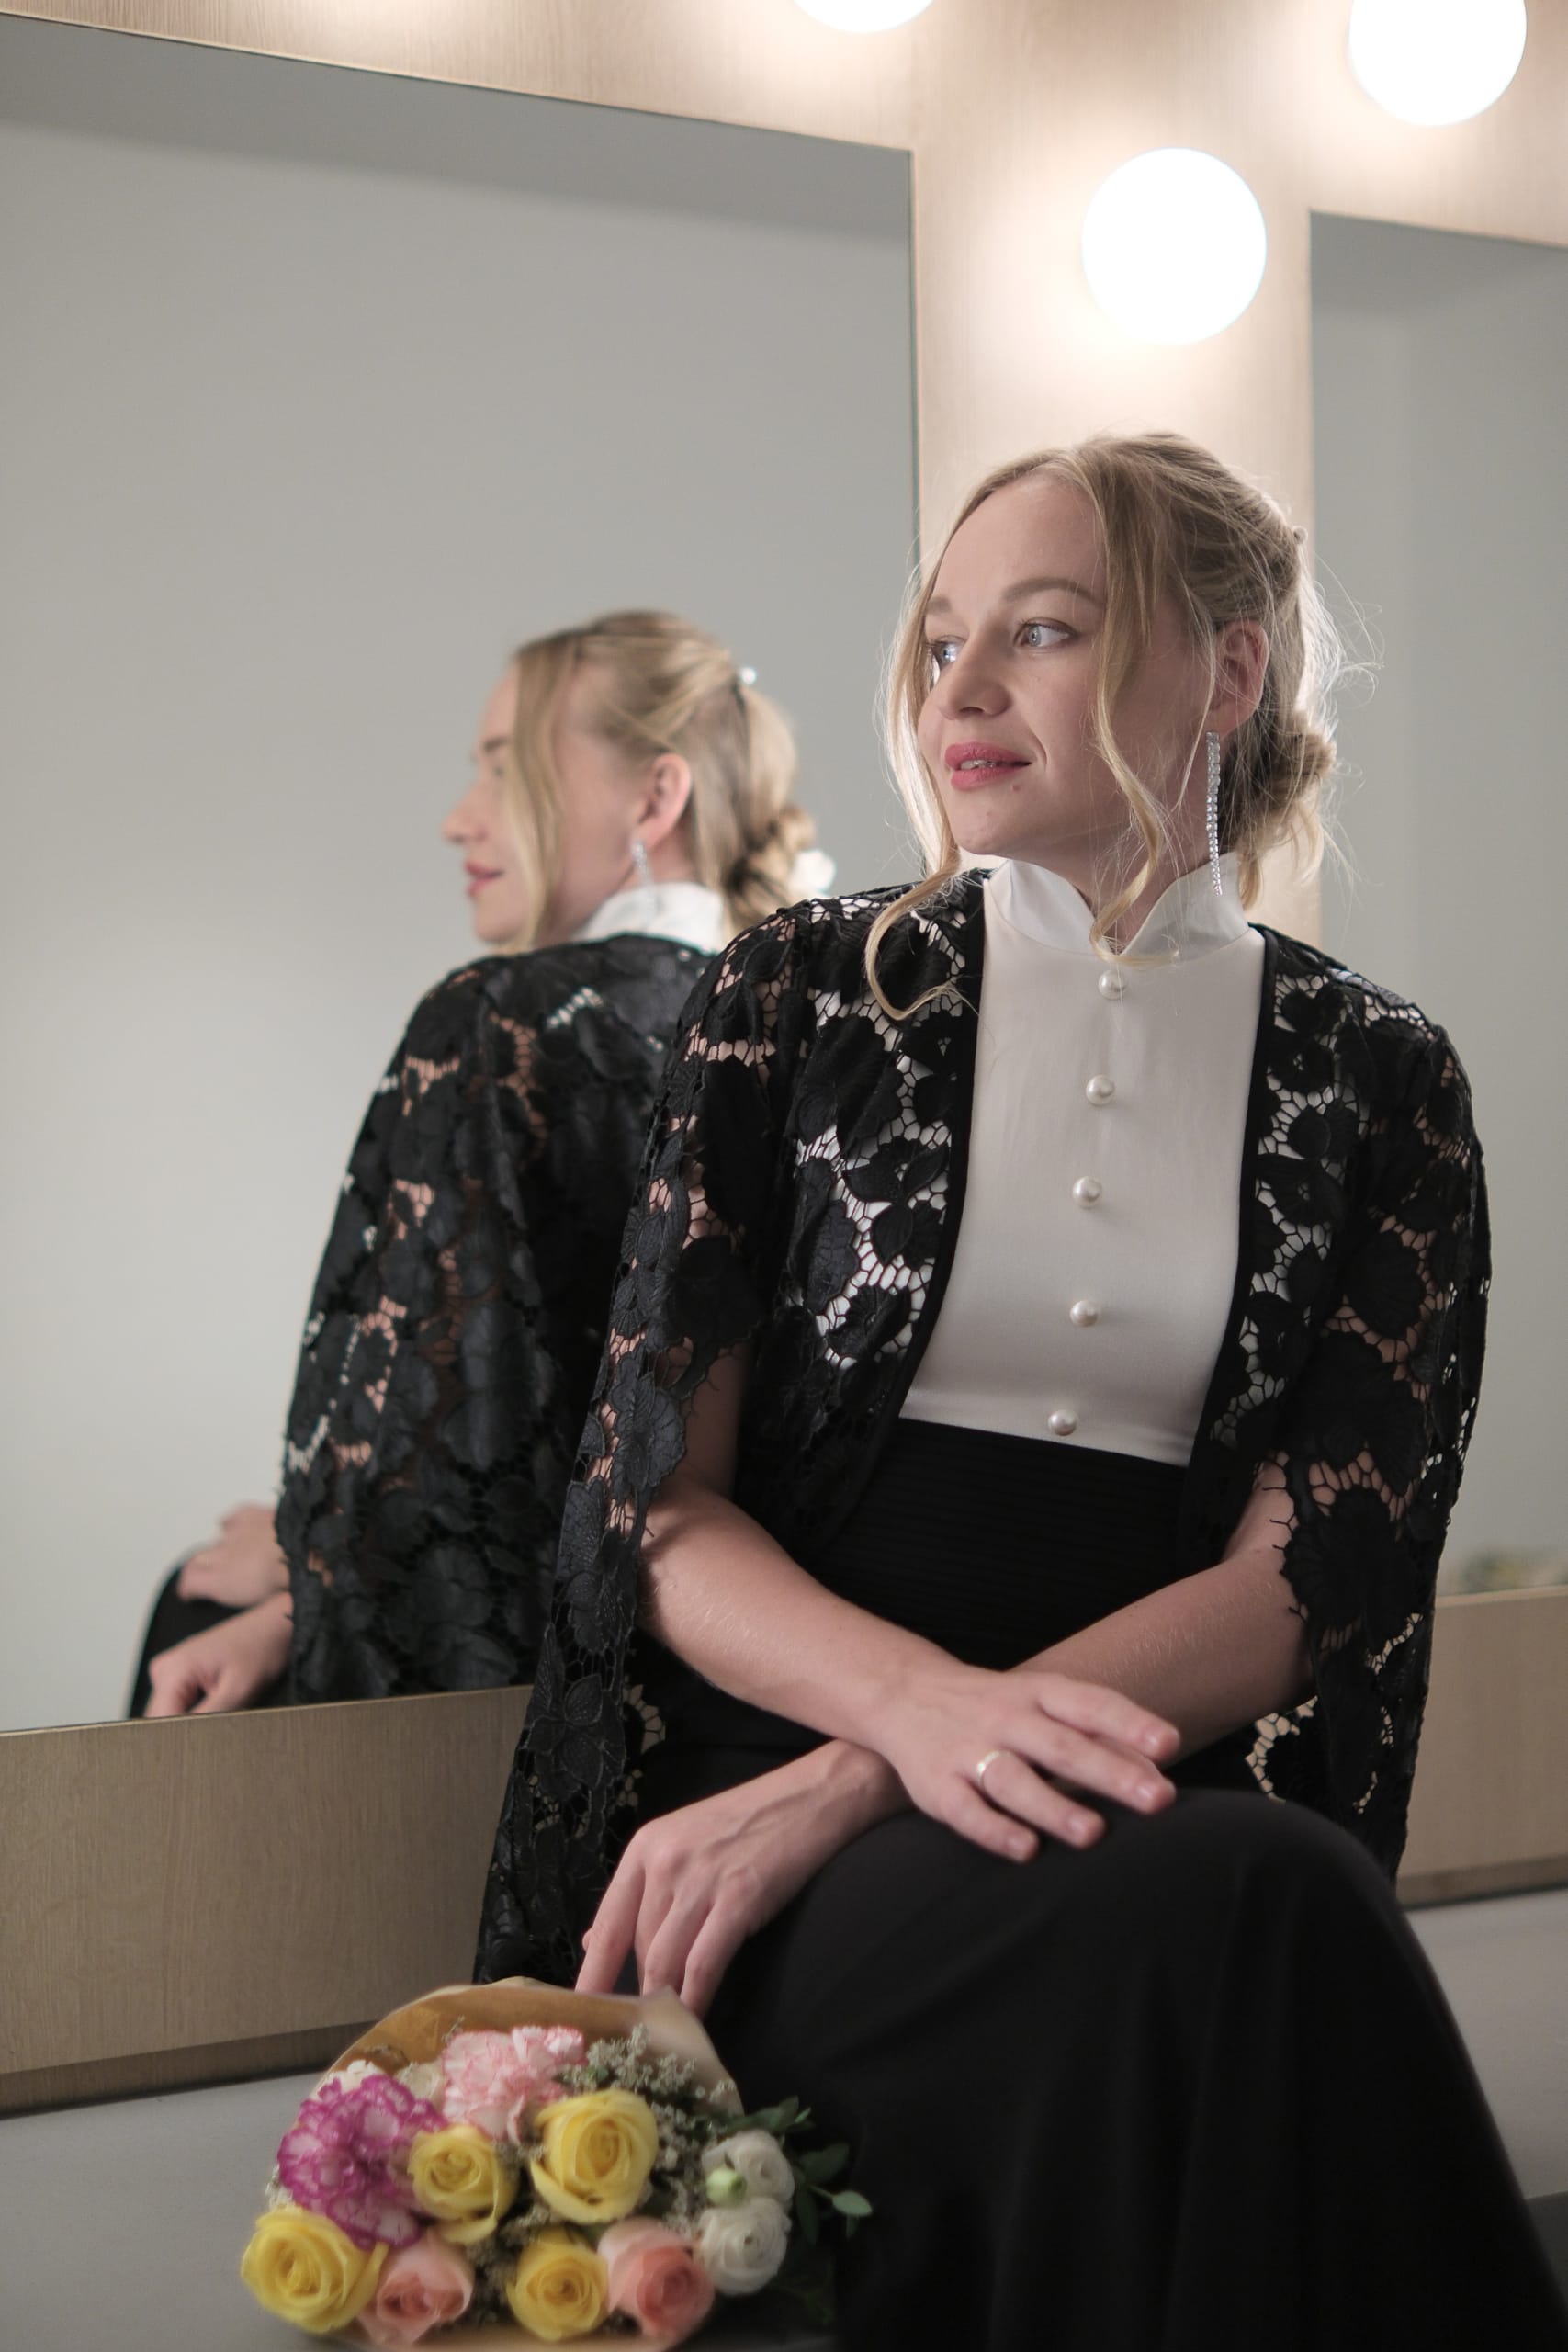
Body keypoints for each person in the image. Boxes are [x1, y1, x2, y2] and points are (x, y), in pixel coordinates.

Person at [477, 439, 1568, 2347]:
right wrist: (891, 1725)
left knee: (1256, 1898)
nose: (960, 689)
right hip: (756, 1811)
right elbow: (653, 1506)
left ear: (1226, 671)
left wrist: (890, 1770)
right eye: (941, 641)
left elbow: (1311, 1576)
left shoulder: (1382, 1076)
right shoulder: (795, 993)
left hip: (1126, 1798)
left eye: (1040, 632)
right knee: (1272, 1915)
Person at [132, 610, 821, 1716]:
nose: (461, 817)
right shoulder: (807, 1034)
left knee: (188, 1606)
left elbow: (456, 1483)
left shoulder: (501, 1024)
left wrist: (307, 1558)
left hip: (530, 1696)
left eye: (505, 765)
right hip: (756, 1662)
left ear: (655, 797)